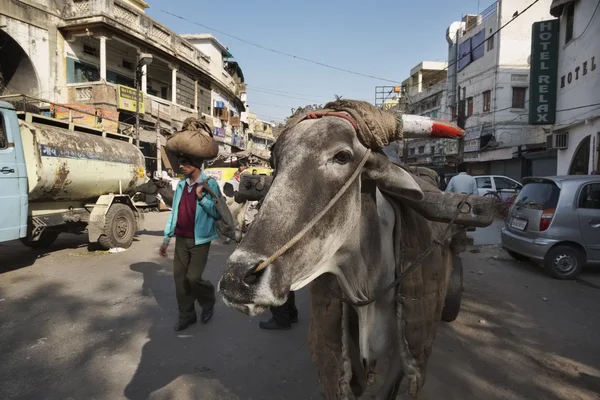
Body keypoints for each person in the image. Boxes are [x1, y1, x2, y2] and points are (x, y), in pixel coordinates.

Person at [159, 156, 221, 332]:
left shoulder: (210, 183)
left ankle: (207, 299)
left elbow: (217, 213)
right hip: (181, 238)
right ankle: (187, 316)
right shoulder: (180, 185)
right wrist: (166, 238)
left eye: (185, 163)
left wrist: (201, 197)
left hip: (200, 240)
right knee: (180, 280)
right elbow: (175, 212)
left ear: (195, 164)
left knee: (193, 278)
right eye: (180, 163)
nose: (181, 166)